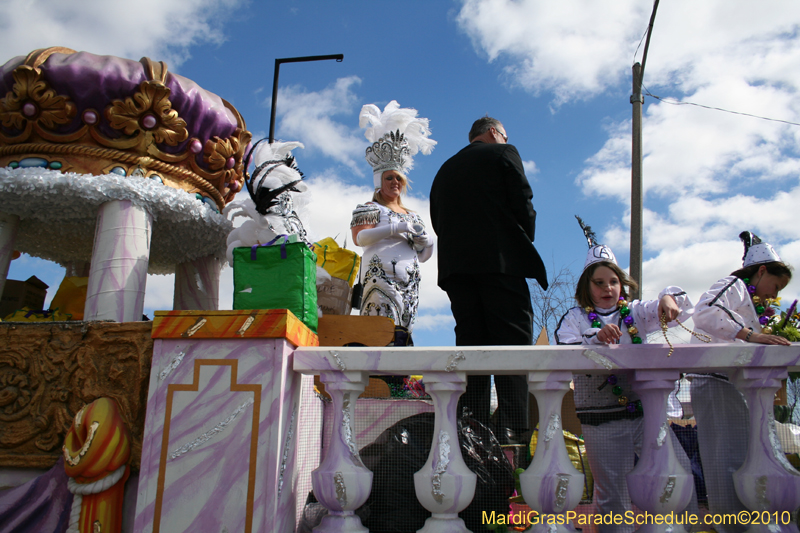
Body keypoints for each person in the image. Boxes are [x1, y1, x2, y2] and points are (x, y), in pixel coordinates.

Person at [554, 224, 699, 533]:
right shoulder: (575, 318)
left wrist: (668, 299)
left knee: (678, 472)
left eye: (614, 281)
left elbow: (676, 301)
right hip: (599, 419)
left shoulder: (634, 311)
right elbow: (566, 348)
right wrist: (595, 336)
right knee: (612, 493)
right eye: (599, 282)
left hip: (644, 415)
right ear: (586, 286)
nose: (608, 288)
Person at [429, 116, 547, 444]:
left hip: (457, 270)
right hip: (500, 263)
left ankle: (473, 430)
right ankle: (513, 432)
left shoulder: (444, 170)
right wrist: (522, 238)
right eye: (504, 134)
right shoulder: (503, 153)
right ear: (494, 133)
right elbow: (523, 200)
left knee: (471, 346)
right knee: (513, 343)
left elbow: (438, 219)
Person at [689, 231, 792, 532]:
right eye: (776, 285)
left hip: (731, 386)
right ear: (761, 271)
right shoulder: (732, 285)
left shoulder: (750, 302)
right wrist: (752, 336)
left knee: (742, 458)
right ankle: (730, 527)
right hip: (714, 382)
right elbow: (704, 312)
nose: (774, 295)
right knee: (725, 463)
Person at [351, 101, 436, 346]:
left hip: (409, 285)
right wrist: (396, 228)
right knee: (379, 336)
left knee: (402, 336)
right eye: (389, 178)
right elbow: (360, 239)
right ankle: (378, 383)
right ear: (379, 181)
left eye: (399, 178)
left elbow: (424, 256)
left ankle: (398, 382)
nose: (395, 182)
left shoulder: (413, 214)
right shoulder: (369, 208)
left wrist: (426, 241)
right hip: (380, 280)